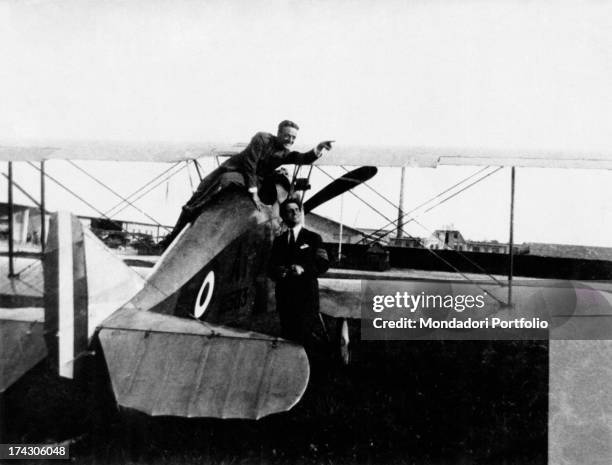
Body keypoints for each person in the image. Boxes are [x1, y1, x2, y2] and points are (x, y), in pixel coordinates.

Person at [160, 120, 334, 248]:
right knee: (201, 197)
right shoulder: (262, 138)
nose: (289, 139)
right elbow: (250, 164)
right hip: (236, 171)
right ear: (278, 133)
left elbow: (301, 158)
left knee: (270, 199)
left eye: (293, 137)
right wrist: (254, 192)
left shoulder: (285, 152)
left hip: (255, 179)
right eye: (287, 135)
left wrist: (318, 149)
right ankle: (173, 236)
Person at [268, 198, 330, 350]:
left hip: (306, 297)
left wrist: (304, 270)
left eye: (297, 210)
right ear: (283, 216)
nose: (295, 213)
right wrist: (278, 272)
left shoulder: (314, 238)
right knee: (288, 336)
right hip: (285, 298)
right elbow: (270, 267)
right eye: (290, 211)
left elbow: (323, 264)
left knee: (306, 339)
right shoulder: (279, 241)